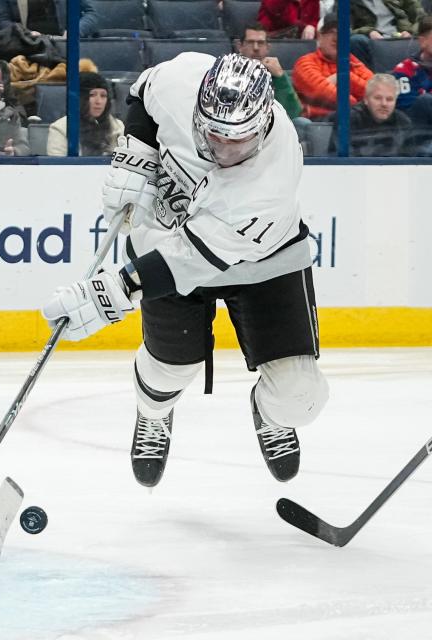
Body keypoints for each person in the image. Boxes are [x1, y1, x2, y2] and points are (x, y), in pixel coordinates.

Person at [42, 53, 328, 488]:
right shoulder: (183, 79)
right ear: (198, 113)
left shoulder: (270, 181)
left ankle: (271, 414)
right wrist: (136, 151)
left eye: (240, 141)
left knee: (300, 397)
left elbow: (189, 260)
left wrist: (117, 290)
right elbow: (143, 96)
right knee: (166, 373)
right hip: (165, 240)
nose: (225, 151)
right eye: (215, 135)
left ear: (265, 122)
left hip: (264, 262)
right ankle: (153, 414)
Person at [293, 14, 373, 119]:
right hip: (320, 123)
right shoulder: (304, 62)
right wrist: (355, 103)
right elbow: (319, 91)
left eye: (342, 33)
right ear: (319, 36)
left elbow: (375, 89)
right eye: (331, 32)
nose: (336, 38)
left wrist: (344, 77)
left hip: (353, 121)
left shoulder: (353, 61)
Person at [330, 73, 413, 155]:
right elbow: (343, 161)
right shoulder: (347, 119)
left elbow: (411, 160)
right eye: (378, 98)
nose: (384, 104)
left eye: (389, 99)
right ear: (366, 99)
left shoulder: (403, 122)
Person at [46, 70, 123, 156]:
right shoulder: (60, 128)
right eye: (92, 95)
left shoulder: (118, 128)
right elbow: (57, 167)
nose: (99, 101)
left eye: (103, 95)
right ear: (81, 98)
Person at [236, 22, 304, 119]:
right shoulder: (230, 70)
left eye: (260, 43)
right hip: (240, 125)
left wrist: (280, 77)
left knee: (301, 122)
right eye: (250, 42)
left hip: (274, 125)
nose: (256, 48)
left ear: (268, 48)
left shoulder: (274, 72)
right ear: (240, 46)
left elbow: (293, 113)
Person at [392, 15, 432, 154]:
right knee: (425, 101)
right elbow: (406, 108)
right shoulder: (404, 70)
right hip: (418, 139)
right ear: (422, 41)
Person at [350, 0, 425, 70]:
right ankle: (373, 79)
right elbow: (345, 29)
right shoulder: (349, 2)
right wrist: (368, 32)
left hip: (401, 36)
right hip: (370, 40)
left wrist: (410, 32)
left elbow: (421, 18)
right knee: (355, 41)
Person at [0, 0, 99, 38]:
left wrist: (74, 32)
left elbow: (92, 13)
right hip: (26, 46)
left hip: (66, 44)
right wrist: (25, 33)